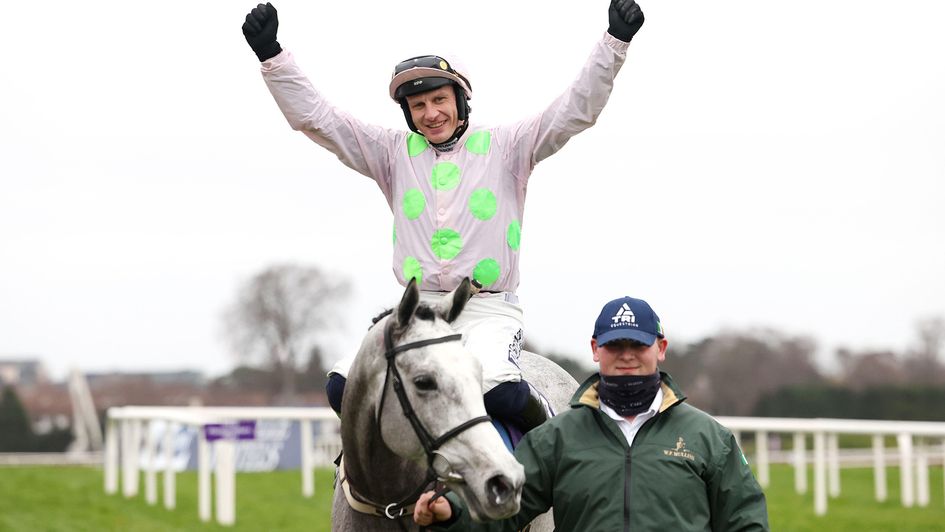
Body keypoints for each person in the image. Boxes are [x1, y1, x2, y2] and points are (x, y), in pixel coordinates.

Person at [241, 1, 645, 428]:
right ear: (409, 114)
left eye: (439, 99)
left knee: (502, 392)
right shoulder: (392, 153)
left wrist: (613, 44)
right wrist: (273, 56)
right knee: (344, 387)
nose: (430, 113)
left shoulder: (509, 146)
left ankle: (559, 438)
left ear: (460, 100)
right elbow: (319, 119)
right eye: (418, 106)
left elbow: (574, 110)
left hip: (489, 310)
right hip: (420, 309)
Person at [413, 296, 771, 531]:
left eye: (638, 344)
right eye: (615, 344)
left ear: (660, 348)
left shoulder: (708, 437)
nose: (626, 354)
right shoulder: (556, 437)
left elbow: (745, 521)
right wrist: (453, 512)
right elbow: (506, 507)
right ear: (596, 349)